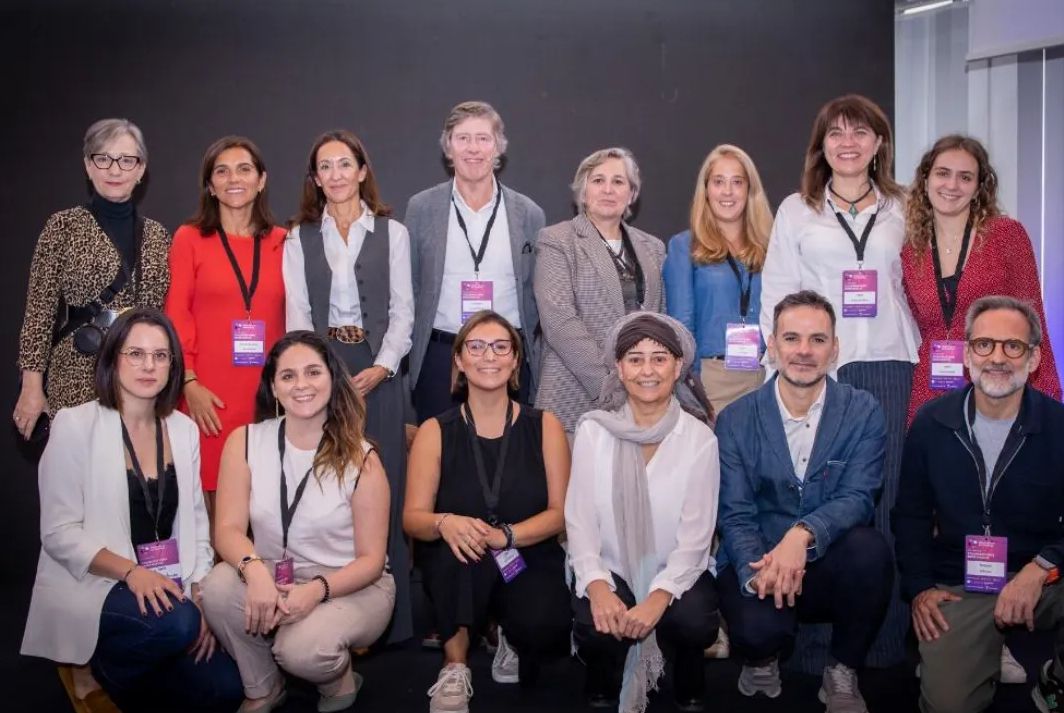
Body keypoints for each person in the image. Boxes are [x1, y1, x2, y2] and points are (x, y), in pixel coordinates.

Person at [758, 94, 918, 667]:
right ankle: (812, 647)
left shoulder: (906, 207)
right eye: (836, 133)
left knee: (888, 504)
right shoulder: (797, 210)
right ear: (820, 146)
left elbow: (920, 288)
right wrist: (779, 372)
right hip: (819, 370)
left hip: (892, 364)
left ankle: (883, 644)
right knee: (819, 501)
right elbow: (777, 292)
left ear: (879, 144)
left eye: (860, 133)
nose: (848, 143)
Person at [20, 308, 242, 712]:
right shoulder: (74, 425)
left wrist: (200, 594)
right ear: (113, 358)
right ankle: (96, 667)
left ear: (173, 365)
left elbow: (196, 521)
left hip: (168, 585)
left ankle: (140, 663)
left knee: (227, 688)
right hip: (99, 583)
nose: (149, 365)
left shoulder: (183, 429)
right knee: (179, 625)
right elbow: (58, 532)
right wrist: (132, 572)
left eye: (160, 355)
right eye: (135, 353)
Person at [716, 290, 893, 712]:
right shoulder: (735, 419)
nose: (804, 351)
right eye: (792, 338)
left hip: (828, 559)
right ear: (772, 346)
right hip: (761, 558)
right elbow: (735, 514)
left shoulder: (862, 410)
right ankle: (762, 659)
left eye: (818, 340)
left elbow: (859, 497)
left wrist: (803, 534)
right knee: (757, 633)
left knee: (871, 551)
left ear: (835, 349)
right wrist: (762, 572)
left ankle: (842, 668)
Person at [201, 331, 395, 713]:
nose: (301, 385)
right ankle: (263, 685)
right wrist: (255, 572)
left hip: (351, 585)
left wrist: (316, 591)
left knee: (302, 651)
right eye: (288, 376)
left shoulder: (362, 458)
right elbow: (227, 530)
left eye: (313, 372)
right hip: (273, 573)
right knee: (218, 588)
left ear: (332, 380)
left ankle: (337, 679)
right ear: (273, 387)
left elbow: (372, 562)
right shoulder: (244, 441)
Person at [894, 296, 1064, 713]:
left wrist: (1042, 566)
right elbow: (911, 516)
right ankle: (979, 656)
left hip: (1044, 578)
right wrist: (920, 589)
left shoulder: (1059, 426)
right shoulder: (931, 423)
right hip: (961, 584)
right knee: (948, 704)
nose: (997, 358)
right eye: (984, 344)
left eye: (1013, 346)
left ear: (1034, 358)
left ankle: (1056, 677)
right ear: (967, 354)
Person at [404, 310, 571, 713]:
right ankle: (455, 664)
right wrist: (445, 522)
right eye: (476, 347)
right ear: (459, 360)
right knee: (454, 554)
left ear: (515, 360)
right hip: (461, 555)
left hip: (524, 550)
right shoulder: (434, 431)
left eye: (500, 347)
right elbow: (413, 518)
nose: (489, 356)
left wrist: (507, 536)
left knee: (544, 625)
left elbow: (560, 513)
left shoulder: (545, 425)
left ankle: (511, 635)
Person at [283, 129, 413, 642]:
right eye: (325, 166)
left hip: (378, 368)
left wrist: (382, 366)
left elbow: (403, 312)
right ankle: (327, 614)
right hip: (321, 367)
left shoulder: (391, 233)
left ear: (362, 171)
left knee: (386, 485)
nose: (335, 175)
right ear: (315, 179)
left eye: (344, 164)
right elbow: (297, 313)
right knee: (327, 488)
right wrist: (315, 372)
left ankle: (394, 622)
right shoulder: (299, 237)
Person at [567, 311, 718, 713]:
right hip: (612, 566)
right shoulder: (593, 431)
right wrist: (598, 587)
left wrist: (657, 598)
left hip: (675, 570)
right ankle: (603, 674)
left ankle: (686, 671)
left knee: (693, 621)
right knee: (595, 624)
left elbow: (696, 541)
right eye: (635, 359)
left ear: (678, 367)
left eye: (659, 358)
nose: (647, 371)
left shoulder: (699, 438)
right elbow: (579, 523)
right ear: (619, 369)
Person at [14, 118, 171, 443]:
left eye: (126, 160)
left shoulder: (158, 236)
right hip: (76, 371)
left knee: (133, 467)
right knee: (76, 468)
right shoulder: (62, 227)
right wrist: (31, 386)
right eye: (103, 158)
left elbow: (165, 312)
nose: (114, 170)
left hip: (140, 375)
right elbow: (39, 313)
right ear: (88, 165)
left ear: (141, 169)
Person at [902, 134, 1060, 426]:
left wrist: (1048, 402)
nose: (952, 185)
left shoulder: (1006, 235)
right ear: (925, 180)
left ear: (978, 188)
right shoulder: (912, 249)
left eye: (965, 177)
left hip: (996, 383)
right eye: (942, 173)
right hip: (930, 391)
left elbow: (1034, 320)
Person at [164, 136, 287, 514]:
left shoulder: (284, 242)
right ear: (210, 185)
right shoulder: (189, 239)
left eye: (244, 169)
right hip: (207, 396)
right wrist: (188, 383)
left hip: (268, 396)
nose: (234, 179)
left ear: (261, 180)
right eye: (222, 171)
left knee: (268, 507)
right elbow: (176, 314)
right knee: (215, 511)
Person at [406, 101, 546, 422]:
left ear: (498, 147)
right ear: (448, 146)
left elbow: (537, 292)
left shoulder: (529, 214)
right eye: (463, 138)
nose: (473, 148)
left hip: (507, 354)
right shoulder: (422, 209)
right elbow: (410, 285)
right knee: (441, 447)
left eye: (483, 138)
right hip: (441, 356)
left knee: (509, 447)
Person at [535, 147, 666, 434]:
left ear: (632, 194)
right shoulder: (557, 240)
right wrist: (611, 385)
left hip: (641, 398)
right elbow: (559, 322)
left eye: (618, 181)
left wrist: (642, 382)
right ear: (583, 192)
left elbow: (660, 323)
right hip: (572, 394)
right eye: (598, 181)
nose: (608, 189)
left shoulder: (654, 248)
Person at [664, 143, 773, 416]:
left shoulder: (771, 246)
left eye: (737, 182)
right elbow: (681, 324)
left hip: (766, 376)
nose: (727, 191)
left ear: (750, 190)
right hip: (712, 381)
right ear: (706, 190)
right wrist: (692, 384)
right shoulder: (684, 246)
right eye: (718, 182)